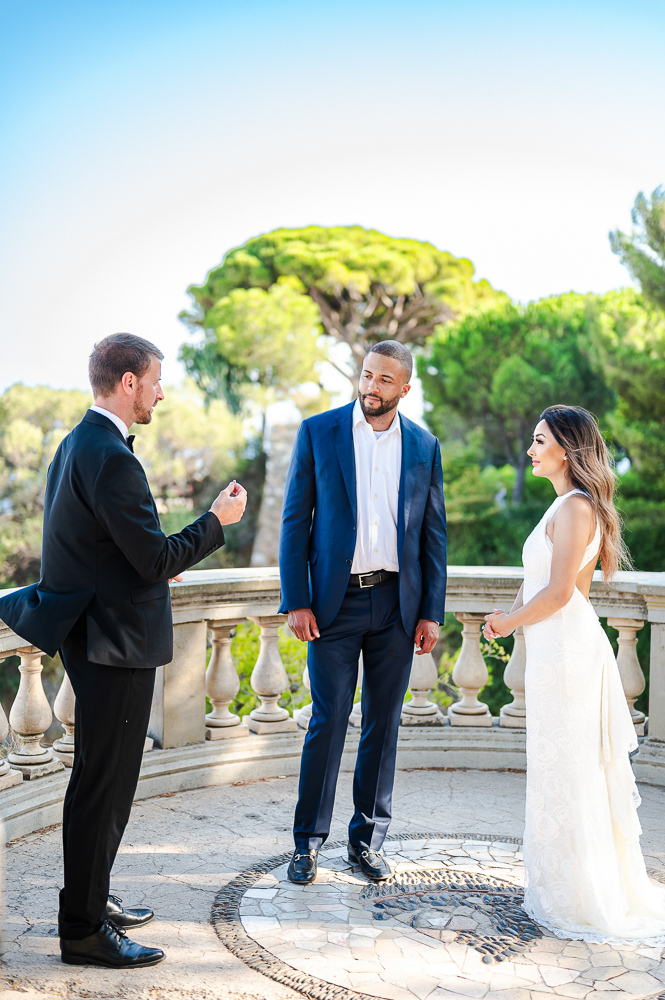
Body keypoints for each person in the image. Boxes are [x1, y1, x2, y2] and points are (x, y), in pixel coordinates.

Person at [0, 333, 247, 968]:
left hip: (96, 636)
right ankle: (83, 930)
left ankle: (92, 898)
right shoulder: (111, 456)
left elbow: (91, 548)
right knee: (103, 789)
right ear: (129, 382)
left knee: (96, 784)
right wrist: (217, 520)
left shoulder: (75, 443)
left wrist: (147, 564)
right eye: (156, 380)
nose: (162, 392)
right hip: (117, 645)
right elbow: (155, 557)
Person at [483, 404, 665, 942]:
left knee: (570, 767)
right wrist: (506, 617)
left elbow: (562, 594)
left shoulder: (578, 507)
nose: (531, 450)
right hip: (550, 651)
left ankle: (581, 895)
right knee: (551, 763)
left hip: (568, 653)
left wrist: (510, 622)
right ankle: (557, 885)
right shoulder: (561, 506)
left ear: (566, 448)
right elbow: (539, 579)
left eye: (540, 441)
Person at [278, 341, 447, 885]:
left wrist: (431, 612)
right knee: (327, 722)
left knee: (383, 723)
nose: (371, 387)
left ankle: (367, 840)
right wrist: (296, 598)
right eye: (367, 375)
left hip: (397, 604)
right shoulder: (319, 432)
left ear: (404, 388)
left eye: (384, 380)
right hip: (333, 603)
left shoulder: (424, 446)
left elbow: (433, 536)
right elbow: (293, 522)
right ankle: (307, 845)